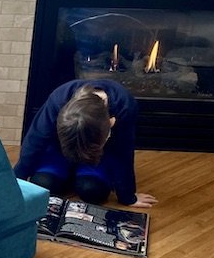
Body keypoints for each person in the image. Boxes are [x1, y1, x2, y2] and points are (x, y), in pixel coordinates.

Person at [14, 79, 157, 208]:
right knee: (43, 185)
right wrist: (16, 181)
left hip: (96, 157)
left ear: (111, 123)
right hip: (61, 151)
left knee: (92, 191)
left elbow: (123, 152)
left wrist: (128, 196)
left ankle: (78, 176)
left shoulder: (124, 106)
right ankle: (65, 174)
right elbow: (35, 140)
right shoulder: (58, 98)